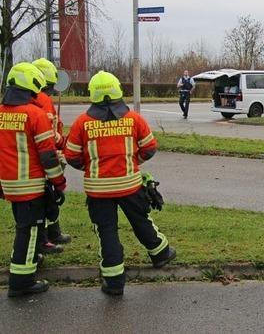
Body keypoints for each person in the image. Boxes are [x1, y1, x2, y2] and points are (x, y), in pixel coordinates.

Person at [64, 71, 176, 295]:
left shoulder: (82, 123)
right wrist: (134, 161)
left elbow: (71, 156)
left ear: (92, 94)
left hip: (98, 189)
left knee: (107, 231)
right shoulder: (133, 118)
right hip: (129, 184)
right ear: (118, 91)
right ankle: (161, 253)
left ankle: (114, 282)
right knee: (141, 220)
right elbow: (150, 148)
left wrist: (91, 168)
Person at [0, 62, 66, 297]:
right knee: (27, 232)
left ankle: (32, 260)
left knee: (25, 228)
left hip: (9, 184)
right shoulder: (34, 114)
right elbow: (48, 156)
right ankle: (21, 282)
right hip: (30, 183)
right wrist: (59, 183)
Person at [32, 58, 71, 254]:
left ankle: (52, 232)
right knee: (49, 197)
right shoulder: (43, 100)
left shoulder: (31, 98)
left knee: (49, 196)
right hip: (46, 155)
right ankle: (46, 238)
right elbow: (48, 132)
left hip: (35, 156)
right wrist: (62, 143)